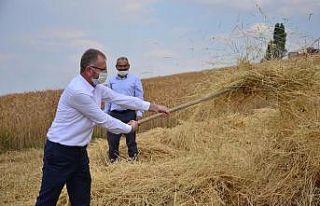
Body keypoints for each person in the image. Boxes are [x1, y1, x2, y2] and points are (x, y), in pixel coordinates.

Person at [35, 48, 169, 206]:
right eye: (103, 69)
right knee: (47, 200)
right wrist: (129, 128)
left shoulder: (96, 87)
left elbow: (121, 98)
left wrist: (153, 106)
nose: (106, 73)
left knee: (81, 200)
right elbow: (103, 120)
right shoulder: (78, 92)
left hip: (79, 152)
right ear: (89, 70)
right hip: (60, 152)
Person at [105, 57, 144, 162]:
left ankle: (134, 160)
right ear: (116, 67)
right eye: (120, 66)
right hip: (114, 114)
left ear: (129, 66)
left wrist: (139, 114)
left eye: (125, 66)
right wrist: (106, 114)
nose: (122, 68)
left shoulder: (135, 79)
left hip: (129, 114)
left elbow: (139, 97)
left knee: (131, 140)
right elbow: (108, 99)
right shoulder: (111, 81)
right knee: (112, 140)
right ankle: (113, 162)